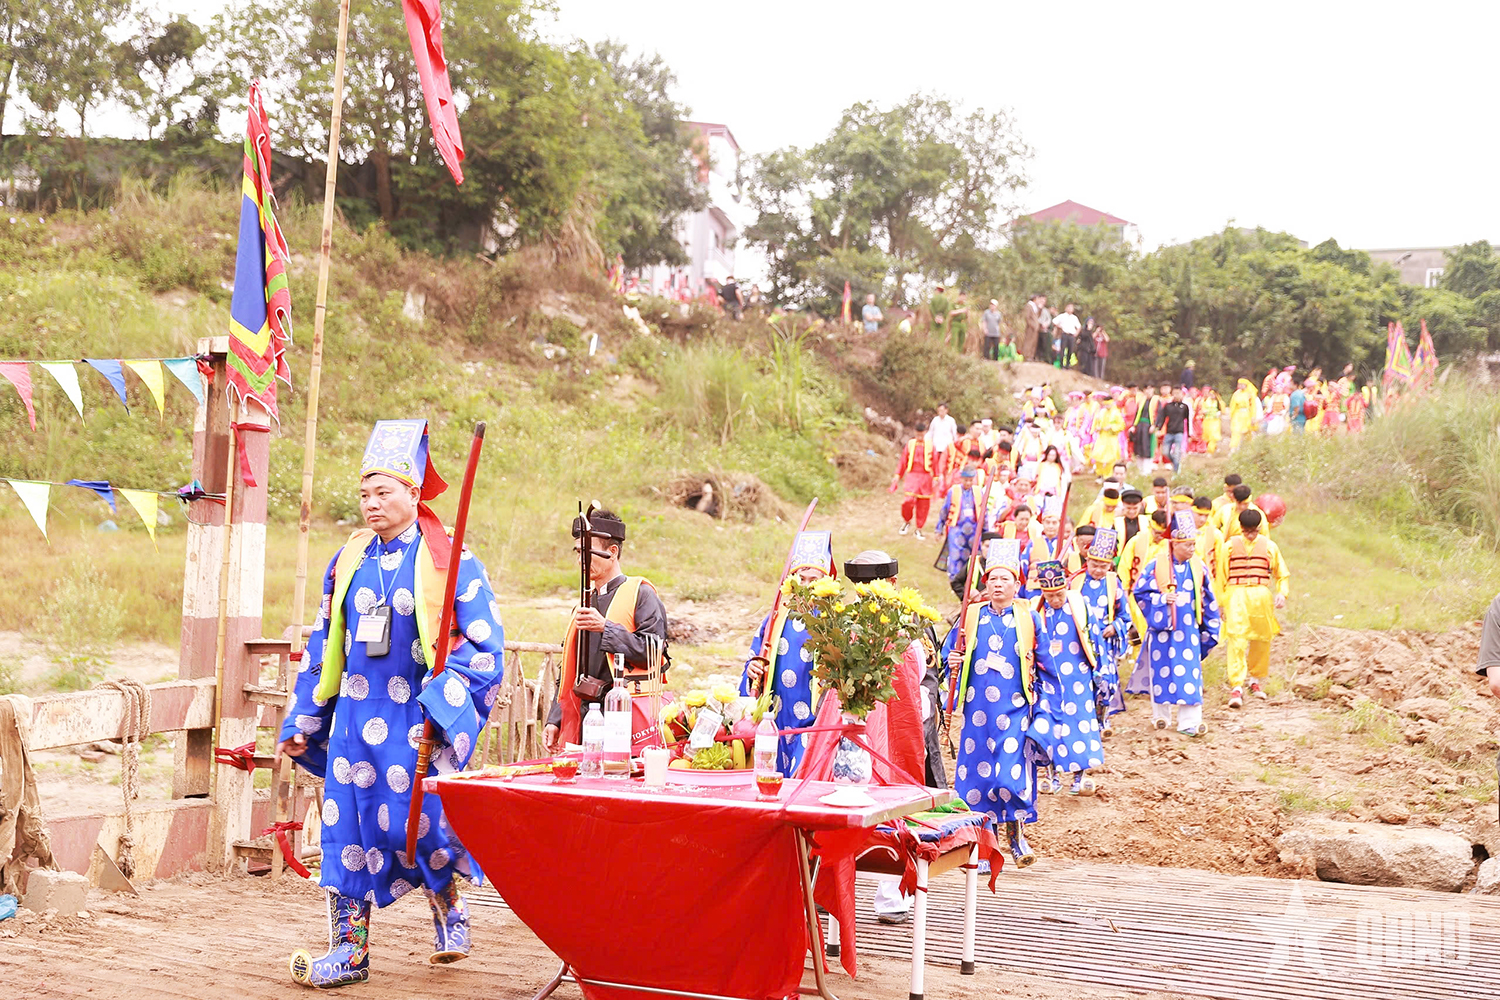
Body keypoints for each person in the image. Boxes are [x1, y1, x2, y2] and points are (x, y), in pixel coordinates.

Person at [278, 420, 506, 985]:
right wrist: (305, 718)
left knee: (425, 826)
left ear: (413, 493)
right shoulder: (347, 560)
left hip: (414, 716)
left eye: (384, 492)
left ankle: (449, 905)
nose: (371, 504)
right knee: (344, 829)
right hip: (355, 718)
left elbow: (482, 645)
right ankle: (349, 950)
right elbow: (323, 639)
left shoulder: (448, 560)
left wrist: (442, 704)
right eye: (364, 494)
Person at [834, 550, 934, 924]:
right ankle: (844, 885)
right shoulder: (844, 625)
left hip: (892, 720)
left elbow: (920, 672)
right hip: (859, 720)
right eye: (861, 586)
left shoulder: (907, 625)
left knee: (890, 791)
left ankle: (887, 890)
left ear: (892, 584)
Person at [941, 538, 1043, 865]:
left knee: (1009, 776)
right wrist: (953, 662)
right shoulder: (971, 616)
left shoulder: (1028, 618)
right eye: (993, 579)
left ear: (1018, 584)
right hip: (978, 713)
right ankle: (985, 848)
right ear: (985, 584)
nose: (998, 585)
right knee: (977, 779)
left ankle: (1016, 837)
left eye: (1005, 579)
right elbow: (949, 655)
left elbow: (1045, 662)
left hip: (1015, 710)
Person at [544, 509, 670, 753]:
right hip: (586, 717)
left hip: (623, 717)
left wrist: (605, 628)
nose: (582, 559)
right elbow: (570, 669)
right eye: (579, 552)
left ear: (612, 552)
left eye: (588, 551)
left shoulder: (641, 594)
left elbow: (654, 651)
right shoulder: (584, 602)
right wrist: (555, 719)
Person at [740, 532, 835, 777]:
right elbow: (754, 661)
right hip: (776, 718)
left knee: (803, 779)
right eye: (800, 579)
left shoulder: (834, 621)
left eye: (813, 580)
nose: (806, 586)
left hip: (813, 723)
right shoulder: (775, 619)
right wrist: (752, 671)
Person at [1133, 512, 1221, 736]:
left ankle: (1189, 722)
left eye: (1193, 544)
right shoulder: (1155, 565)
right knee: (1160, 672)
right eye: (1187, 545)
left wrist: (1211, 628)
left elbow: (1209, 599)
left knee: (1189, 674)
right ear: (1174, 544)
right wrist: (1162, 600)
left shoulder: (1198, 568)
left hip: (1188, 631)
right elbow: (1140, 592)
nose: (1192, 549)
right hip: (1162, 631)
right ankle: (1160, 716)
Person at [1027, 560, 1105, 795]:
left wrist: (1099, 670)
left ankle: (1079, 778)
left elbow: (1094, 639)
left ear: (1066, 587)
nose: (1055, 600)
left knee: (1079, 726)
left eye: (1059, 594)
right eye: (1049, 596)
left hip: (1078, 678)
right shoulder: (1036, 610)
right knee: (1050, 726)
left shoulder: (1080, 606)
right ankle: (1052, 777)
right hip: (1048, 679)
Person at [1216, 510, 1289, 709]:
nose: (1250, 535)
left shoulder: (1270, 547)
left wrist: (1282, 592)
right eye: (1247, 531)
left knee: (1262, 639)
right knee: (1237, 640)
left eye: (1253, 531)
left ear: (1259, 529)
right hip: (1236, 594)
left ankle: (1255, 680)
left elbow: (1281, 574)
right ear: (1241, 529)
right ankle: (1236, 684)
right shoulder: (1228, 547)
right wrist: (1221, 602)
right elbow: (1221, 577)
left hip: (1261, 596)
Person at [1071, 528, 1129, 731]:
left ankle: (1102, 720)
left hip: (1104, 642)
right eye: (1094, 564)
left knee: (1106, 681)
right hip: (1079, 641)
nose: (1097, 570)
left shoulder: (1114, 584)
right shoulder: (1075, 582)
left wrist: (1115, 627)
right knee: (1082, 680)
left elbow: (1125, 616)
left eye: (1103, 566)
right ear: (1087, 560)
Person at [936, 452, 992, 599]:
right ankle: (955, 583)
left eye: (970, 480)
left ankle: (971, 582)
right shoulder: (953, 491)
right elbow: (944, 510)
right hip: (957, 529)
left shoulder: (978, 491)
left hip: (974, 530)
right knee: (956, 556)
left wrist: (986, 532)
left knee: (973, 556)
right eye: (966, 480)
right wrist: (939, 528)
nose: (968, 483)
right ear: (962, 478)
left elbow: (983, 512)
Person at [893, 420, 936, 539]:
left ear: (925, 433)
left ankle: (919, 528)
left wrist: (936, 477)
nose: (919, 437)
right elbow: (903, 461)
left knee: (923, 504)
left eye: (921, 435)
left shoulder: (931, 445)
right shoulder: (910, 444)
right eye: (917, 435)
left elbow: (935, 462)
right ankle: (907, 521)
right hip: (912, 475)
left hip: (925, 476)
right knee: (908, 501)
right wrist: (898, 475)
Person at [1157, 386, 1191, 474]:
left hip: (1179, 432)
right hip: (1169, 432)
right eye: (1175, 393)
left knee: (1177, 451)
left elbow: (1187, 420)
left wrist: (1188, 435)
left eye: (1178, 393)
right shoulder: (1168, 406)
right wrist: (1159, 429)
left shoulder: (1184, 407)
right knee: (1165, 452)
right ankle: (1175, 464)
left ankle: (1176, 470)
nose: (1177, 395)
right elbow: (1162, 418)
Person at [1228, 378, 1259, 452]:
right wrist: (1231, 415)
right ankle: (1234, 447)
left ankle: (1247, 448)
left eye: (1242, 384)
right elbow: (1233, 405)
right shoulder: (1236, 394)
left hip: (1247, 415)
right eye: (1239, 384)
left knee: (1247, 431)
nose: (1240, 386)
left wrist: (1253, 417)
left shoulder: (1250, 394)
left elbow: (1253, 406)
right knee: (1236, 431)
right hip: (1237, 415)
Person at [1052, 303, 1081, 370]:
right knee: (1062, 350)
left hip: (1071, 335)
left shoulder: (1074, 318)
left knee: (1070, 350)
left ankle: (1067, 365)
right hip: (1064, 334)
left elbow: (1079, 327)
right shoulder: (1062, 316)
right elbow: (1054, 321)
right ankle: (1061, 365)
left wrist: (1076, 333)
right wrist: (1059, 326)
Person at [1020, 293, 1044, 360]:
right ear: (1035, 299)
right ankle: (1026, 355)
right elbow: (1027, 317)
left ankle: (1031, 356)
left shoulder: (1035, 306)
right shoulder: (1029, 306)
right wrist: (1032, 325)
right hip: (1031, 328)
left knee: (1033, 342)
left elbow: (1037, 316)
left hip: (1035, 328)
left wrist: (1040, 309)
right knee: (1028, 342)